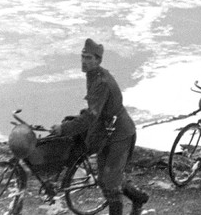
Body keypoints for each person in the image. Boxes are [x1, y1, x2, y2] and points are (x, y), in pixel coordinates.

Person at [53, 39, 148, 215]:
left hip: (120, 134)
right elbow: (95, 109)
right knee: (106, 179)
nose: (84, 61)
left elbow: (91, 116)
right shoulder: (94, 75)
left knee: (110, 183)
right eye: (82, 56)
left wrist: (64, 129)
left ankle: (131, 202)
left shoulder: (101, 81)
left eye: (88, 58)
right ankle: (138, 198)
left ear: (98, 60)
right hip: (107, 132)